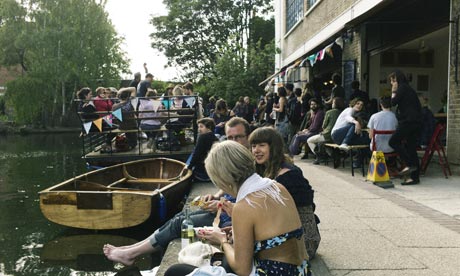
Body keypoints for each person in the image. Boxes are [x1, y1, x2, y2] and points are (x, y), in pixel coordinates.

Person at [102, 118, 251, 266]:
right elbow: (232, 187)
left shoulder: (246, 161)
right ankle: (132, 248)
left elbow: (249, 203)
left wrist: (222, 205)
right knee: (180, 216)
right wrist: (218, 196)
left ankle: (131, 253)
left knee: (180, 222)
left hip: (231, 216)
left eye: (238, 137)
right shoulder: (238, 159)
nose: (234, 141)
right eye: (230, 137)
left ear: (248, 137)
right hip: (227, 208)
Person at [165, 140, 310, 276]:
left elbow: (242, 269)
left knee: (175, 272)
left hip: (273, 272)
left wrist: (222, 240)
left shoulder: (244, 206)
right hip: (300, 270)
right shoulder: (276, 187)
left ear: (223, 178)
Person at [249, 127, 320, 259]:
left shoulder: (289, 175)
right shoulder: (264, 169)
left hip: (302, 242)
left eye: (261, 145)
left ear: (274, 147)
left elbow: (305, 208)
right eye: (253, 146)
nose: (256, 150)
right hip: (282, 233)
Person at [388, 70, 423, 185]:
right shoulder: (408, 89)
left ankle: (409, 164)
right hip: (415, 122)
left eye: (393, 81)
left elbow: (393, 103)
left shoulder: (402, 88)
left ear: (397, 80)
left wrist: (393, 91)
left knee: (393, 141)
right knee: (411, 148)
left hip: (409, 121)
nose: (392, 84)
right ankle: (415, 178)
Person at [307, 97, 344, 164]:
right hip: (339, 136)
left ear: (335, 104)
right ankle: (332, 155)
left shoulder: (329, 112)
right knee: (321, 143)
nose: (332, 104)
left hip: (328, 135)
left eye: (333, 102)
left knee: (309, 140)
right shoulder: (342, 113)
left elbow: (324, 126)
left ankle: (319, 157)